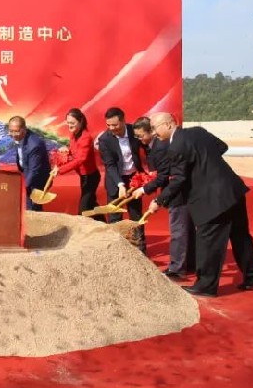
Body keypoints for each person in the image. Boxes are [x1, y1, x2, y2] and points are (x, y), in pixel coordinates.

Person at [148, 112, 253, 297]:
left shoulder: (176, 147)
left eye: (155, 128)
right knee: (240, 235)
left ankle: (206, 286)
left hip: (212, 199)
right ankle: (252, 275)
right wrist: (207, 163)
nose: (153, 133)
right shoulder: (198, 132)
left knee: (208, 241)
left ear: (169, 124)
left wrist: (159, 200)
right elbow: (222, 147)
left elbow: (178, 179)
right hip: (233, 190)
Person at [131, 116, 195, 279]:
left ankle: (177, 268)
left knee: (178, 230)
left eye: (141, 135)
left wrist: (145, 190)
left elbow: (164, 176)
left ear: (151, 131)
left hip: (177, 193)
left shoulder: (161, 147)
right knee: (185, 229)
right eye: (136, 136)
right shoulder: (153, 146)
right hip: (175, 190)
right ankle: (190, 263)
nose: (139, 139)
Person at [97, 106, 148, 253]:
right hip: (115, 181)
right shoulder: (104, 139)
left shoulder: (134, 132)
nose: (112, 128)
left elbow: (147, 148)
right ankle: (117, 251)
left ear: (123, 121)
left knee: (136, 215)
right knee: (114, 217)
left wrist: (148, 171)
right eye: (108, 125)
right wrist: (120, 184)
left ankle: (140, 251)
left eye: (115, 125)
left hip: (134, 178)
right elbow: (110, 165)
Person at [56, 108, 100, 215]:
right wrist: (66, 151)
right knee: (91, 204)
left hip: (90, 177)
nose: (69, 126)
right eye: (68, 123)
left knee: (83, 209)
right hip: (83, 176)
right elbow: (75, 151)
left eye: (72, 123)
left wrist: (61, 170)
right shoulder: (73, 134)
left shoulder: (86, 137)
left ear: (81, 122)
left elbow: (81, 158)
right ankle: (101, 221)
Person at [7, 116, 52, 211]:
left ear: (24, 129)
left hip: (37, 180)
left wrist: (23, 187)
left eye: (16, 131)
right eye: (11, 131)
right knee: (25, 206)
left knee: (32, 209)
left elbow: (34, 171)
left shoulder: (34, 145)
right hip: (27, 174)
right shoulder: (19, 137)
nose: (13, 134)